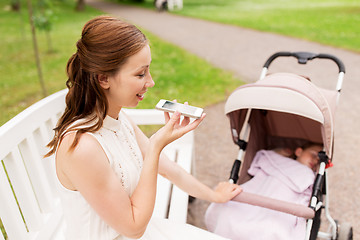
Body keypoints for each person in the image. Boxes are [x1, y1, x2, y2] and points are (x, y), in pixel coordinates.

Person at [45, 16, 241, 240]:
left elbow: (169, 169)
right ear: (103, 79)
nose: (150, 82)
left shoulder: (119, 119)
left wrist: (215, 196)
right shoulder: (82, 147)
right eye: (140, 73)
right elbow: (133, 227)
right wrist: (156, 147)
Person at [204, 143, 323, 240]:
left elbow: (307, 198)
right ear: (299, 151)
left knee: (272, 229)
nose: (315, 160)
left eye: (319, 161)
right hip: (258, 194)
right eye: (313, 155)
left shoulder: (310, 177)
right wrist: (279, 152)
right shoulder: (276, 160)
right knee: (230, 213)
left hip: (282, 206)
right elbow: (260, 160)